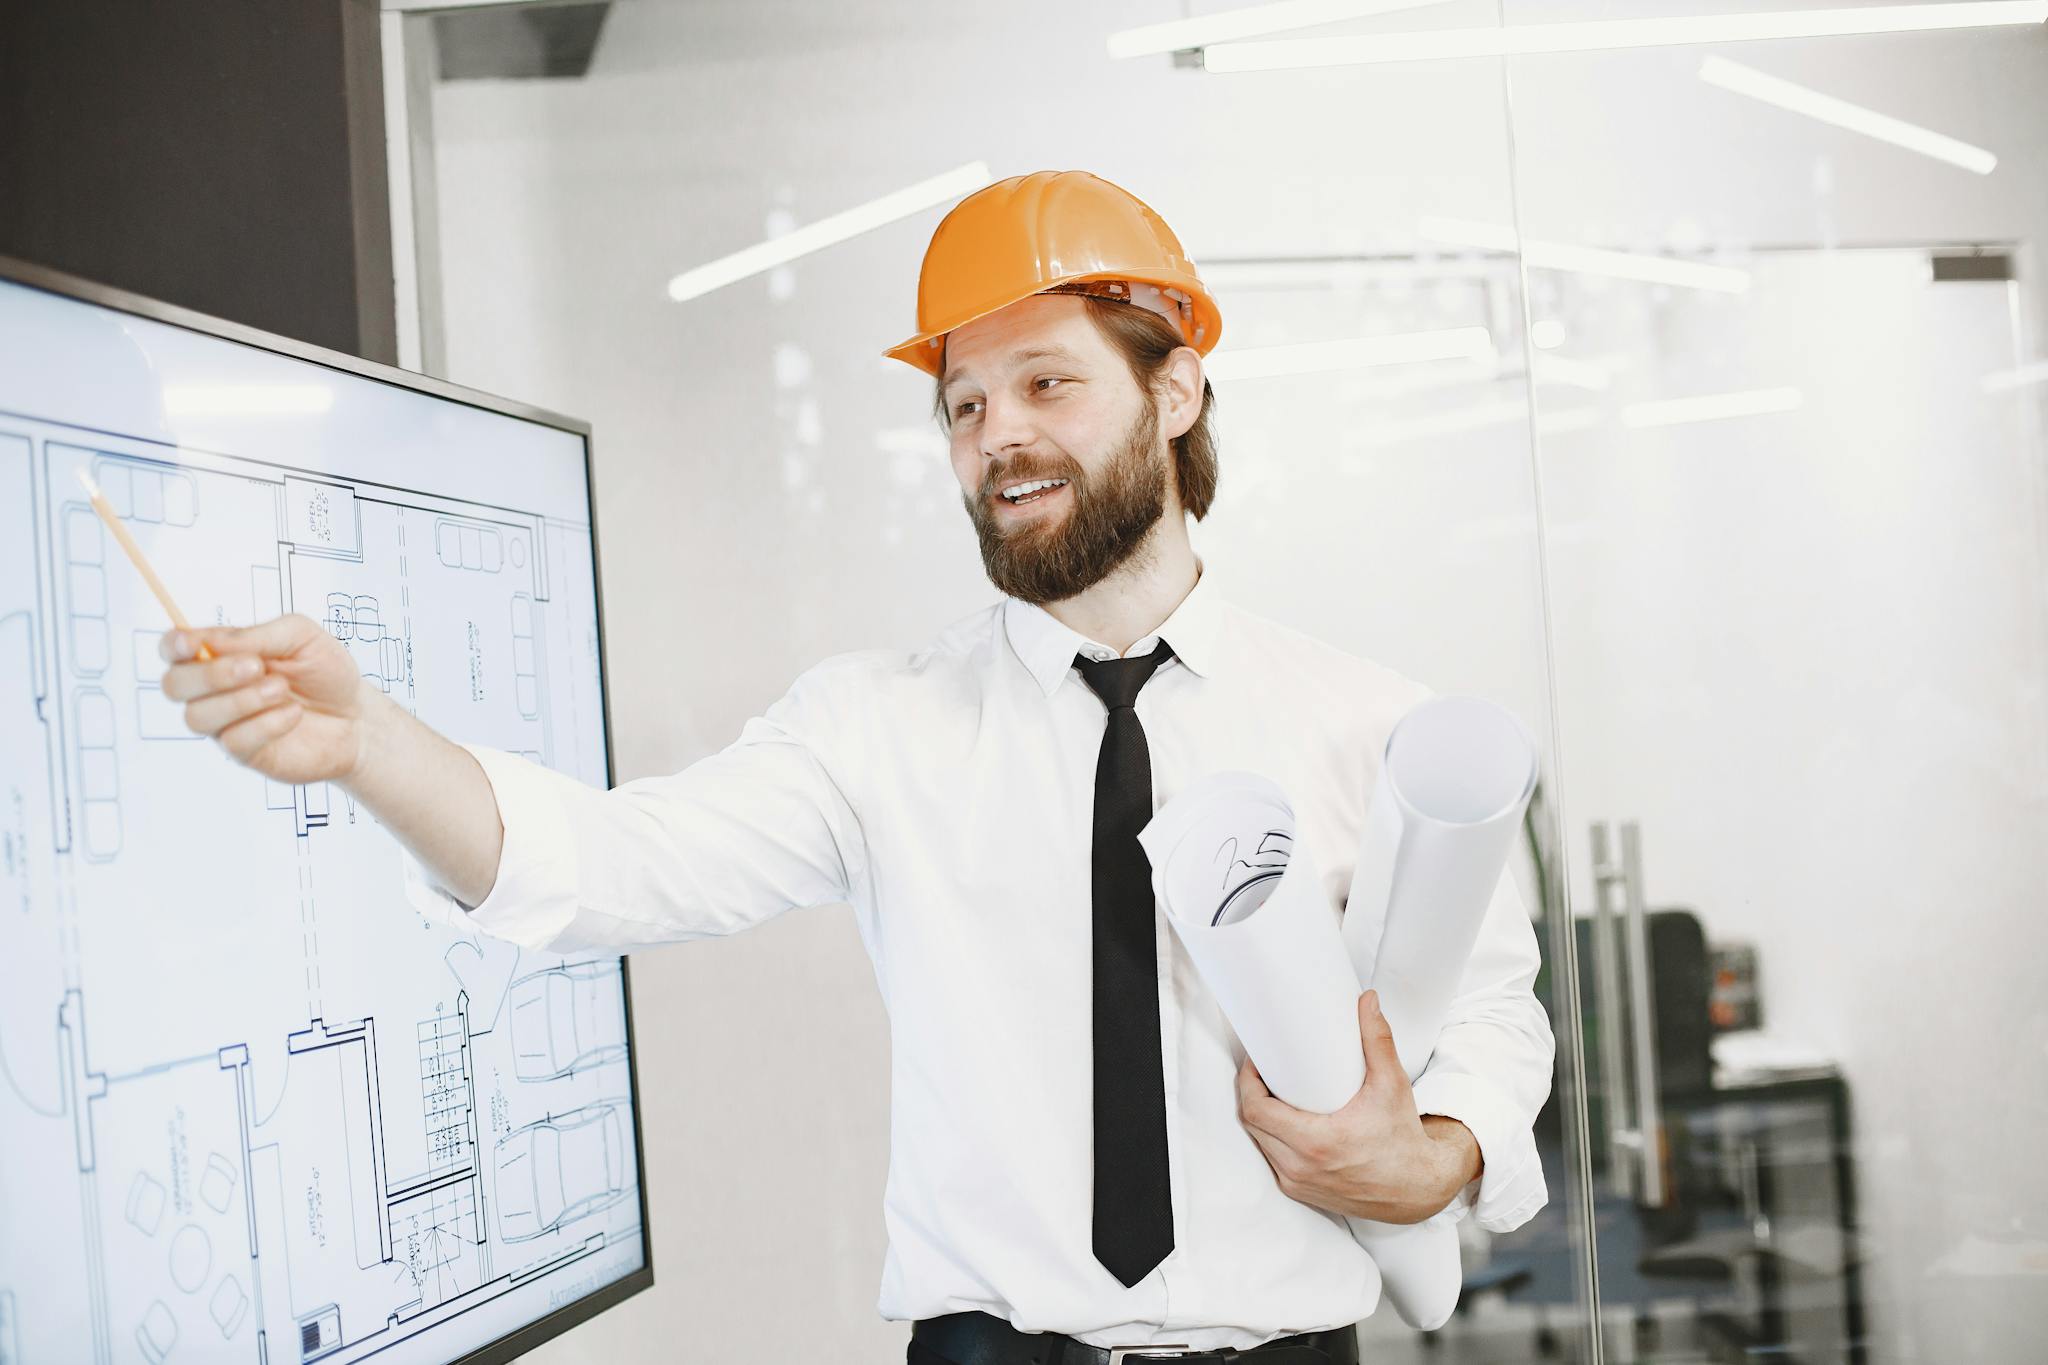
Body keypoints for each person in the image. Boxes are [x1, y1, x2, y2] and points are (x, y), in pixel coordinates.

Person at [159, 170, 1554, 1362]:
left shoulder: (1366, 720)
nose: (995, 434)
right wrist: (370, 744)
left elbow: (1495, 1009)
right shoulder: (875, 728)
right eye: (961, 404)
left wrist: (1436, 1153)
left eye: (1046, 382)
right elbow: (606, 867)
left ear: (1176, 387)